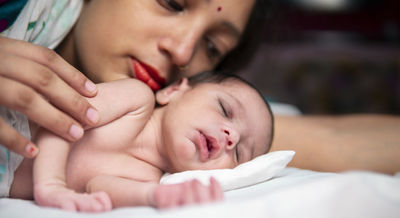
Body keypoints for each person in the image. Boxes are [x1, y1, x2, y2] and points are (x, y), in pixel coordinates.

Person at [0, 0, 399, 176]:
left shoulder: (211, 126)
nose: (183, 51)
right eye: (172, 2)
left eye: (213, 47)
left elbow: (327, 139)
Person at [7, 71, 274, 212]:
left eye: (239, 152)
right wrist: (51, 185)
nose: (232, 137)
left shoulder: (148, 177)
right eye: (225, 109)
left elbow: (97, 187)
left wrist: (161, 196)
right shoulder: (136, 100)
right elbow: (65, 117)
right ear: (173, 91)